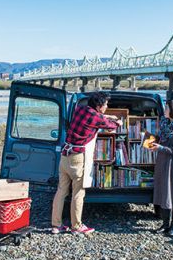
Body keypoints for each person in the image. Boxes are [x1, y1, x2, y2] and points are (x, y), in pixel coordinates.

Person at [51, 91, 121, 235]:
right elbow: (111, 126)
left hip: (65, 155)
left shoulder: (80, 109)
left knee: (61, 191)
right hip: (78, 158)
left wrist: (107, 115)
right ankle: (76, 226)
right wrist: (118, 122)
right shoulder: (96, 117)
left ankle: (56, 225)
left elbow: (97, 117)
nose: (107, 107)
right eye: (106, 104)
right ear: (99, 106)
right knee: (78, 193)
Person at [149, 99, 173, 237]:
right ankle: (165, 224)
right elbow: (160, 139)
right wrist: (152, 141)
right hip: (162, 162)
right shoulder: (165, 123)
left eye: (167, 108)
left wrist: (160, 147)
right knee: (163, 192)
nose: (165, 110)